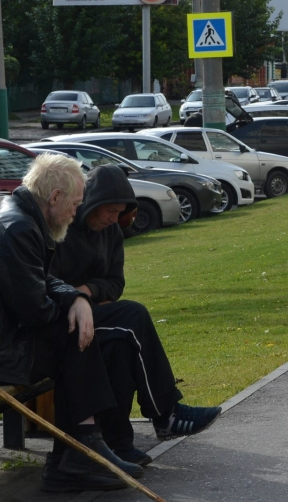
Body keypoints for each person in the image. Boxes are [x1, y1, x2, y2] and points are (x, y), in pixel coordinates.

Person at [0, 153, 144, 493]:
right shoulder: (18, 228)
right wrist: (77, 310)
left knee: (76, 333)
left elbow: (41, 281)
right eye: (74, 203)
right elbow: (34, 311)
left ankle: (77, 453)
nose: (76, 211)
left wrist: (76, 299)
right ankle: (79, 451)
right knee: (75, 337)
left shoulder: (22, 220)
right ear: (54, 198)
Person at [51, 164, 220, 466]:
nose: (113, 219)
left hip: (91, 311)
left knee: (120, 343)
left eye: (119, 213)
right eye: (109, 211)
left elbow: (115, 283)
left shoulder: (112, 232)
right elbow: (47, 282)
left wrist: (87, 291)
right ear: (92, 203)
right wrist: (74, 298)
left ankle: (118, 443)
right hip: (62, 319)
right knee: (132, 315)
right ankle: (166, 412)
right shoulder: (62, 230)